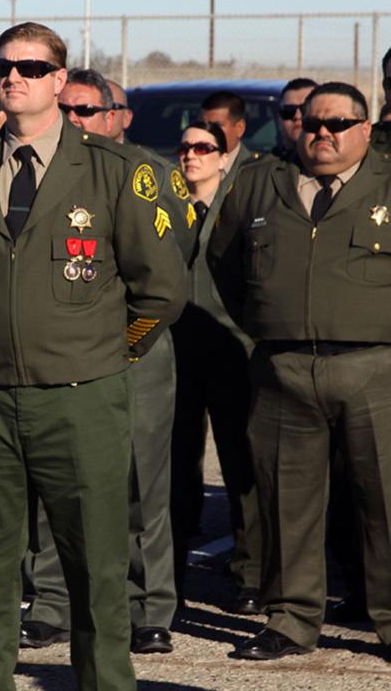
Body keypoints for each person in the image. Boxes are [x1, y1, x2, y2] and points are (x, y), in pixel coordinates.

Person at [0, 22, 187, 690]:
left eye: (32, 68)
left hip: (82, 399)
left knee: (96, 573)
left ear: (60, 80)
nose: (14, 78)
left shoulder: (114, 172)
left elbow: (162, 290)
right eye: (4, 67)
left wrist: (108, 355)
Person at [209, 82, 391, 662]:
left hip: (375, 369)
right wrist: (268, 322)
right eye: (312, 124)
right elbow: (225, 261)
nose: (323, 134)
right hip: (283, 368)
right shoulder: (260, 182)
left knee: (385, 503)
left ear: (365, 128)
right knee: (287, 502)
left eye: (338, 124)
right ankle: (290, 618)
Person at [20, 68, 194, 656]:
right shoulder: (42, 170)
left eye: (87, 112)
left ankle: (148, 606)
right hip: (63, 350)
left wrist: (126, 340)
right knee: (56, 479)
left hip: (132, 344)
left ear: (115, 117)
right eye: (67, 110)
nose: (75, 121)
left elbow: (173, 261)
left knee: (141, 482)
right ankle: (53, 602)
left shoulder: (145, 173)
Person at [167, 119, 262, 612]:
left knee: (239, 462)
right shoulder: (165, 209)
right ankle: (170, 577)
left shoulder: (240, 207)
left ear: (224, 158)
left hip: (230, 349)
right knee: (176, 465)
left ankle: (251, 575)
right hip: (175, 352)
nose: (192, 155)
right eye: (185, 147)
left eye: (204, 148)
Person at [200, 90, 263, 175]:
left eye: (217, 126)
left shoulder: (259, 172)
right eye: (202, 125)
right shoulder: (187, 167)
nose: (207, 132)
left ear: (239, 129)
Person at [272, 78, 318, 162]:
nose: (297, 116)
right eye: (289, 111)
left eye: (305, 109)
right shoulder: (264, 167)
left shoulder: (337, 165)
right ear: (279, 119)